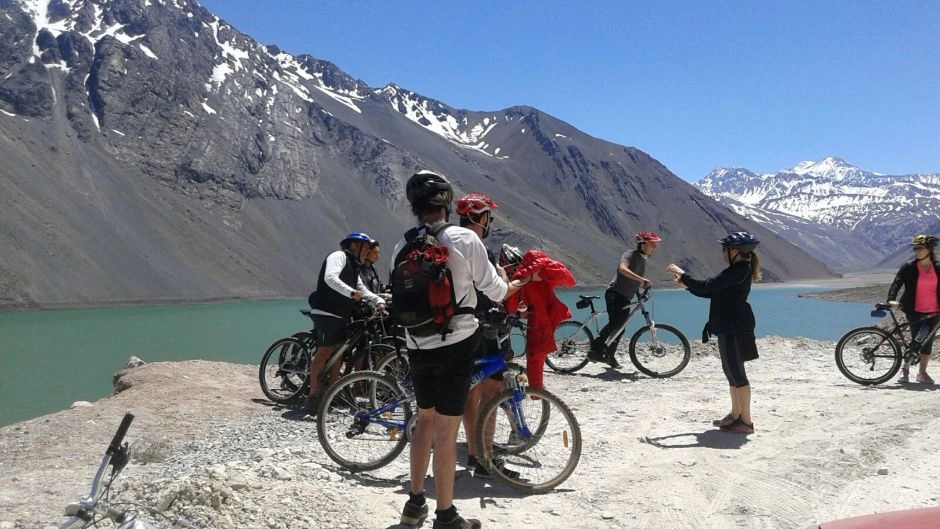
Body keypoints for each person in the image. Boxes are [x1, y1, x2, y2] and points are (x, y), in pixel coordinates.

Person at [395, 171, 526, 529]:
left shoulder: (402, 245)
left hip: (416, 343)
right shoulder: (464, 238)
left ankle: (415, 502)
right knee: (447, 430)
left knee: (424, 420)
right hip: (455, 343)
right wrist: (519, 281)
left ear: (415, 207)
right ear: (446, 204)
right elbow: (496, 291)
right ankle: (446, 514)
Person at [666, 231, 761, 435]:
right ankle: (736, 415)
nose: (722, 253)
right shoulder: (737, 270)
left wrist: (684, 275)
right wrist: (687, 284)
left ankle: (746, 421)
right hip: (729, 325)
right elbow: (710, 292)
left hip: (735, 326)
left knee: (737, 373)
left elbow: (708, 286)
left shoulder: (737, 271)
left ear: (735, 251)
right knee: (731, 372)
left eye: (724, 249)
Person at [454, 192, 521, 480]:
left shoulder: (452, 243)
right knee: (489, 391)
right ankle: (483, 456)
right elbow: (498, 286)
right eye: (487, 217)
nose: (489, 222)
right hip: (481, 327)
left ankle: (477, 454)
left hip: (468, 327)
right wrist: (513, 279)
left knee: (475, 392)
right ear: (479, 217)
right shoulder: (478, 246)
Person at [304, 232, 386, 412]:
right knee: (324, 351)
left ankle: (333, 392)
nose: (367, 252)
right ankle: (313, 395)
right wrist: (350, 292)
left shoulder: (354, 266)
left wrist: (378, 301)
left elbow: (361, 289)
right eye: (365, 248)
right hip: (325, 312)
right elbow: (330, 277)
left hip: (341, 315)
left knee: (339, 352)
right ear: (355, 245)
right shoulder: (338, 256)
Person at [588, 231, 662, 368]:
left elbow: (633, 281)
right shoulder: (630, 254)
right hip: (615, 293)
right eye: (652, 244)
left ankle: (609, 356)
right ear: (644, 244)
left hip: (626, 297)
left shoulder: (643, 260)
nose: (655, 248)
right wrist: (642, 279)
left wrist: (640, 293)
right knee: (615, 323)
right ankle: (594, 351)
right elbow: (622, 269)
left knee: (620, 328)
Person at [505, 250, 576, 390]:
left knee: (534, 357)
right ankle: (536, 391)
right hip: (545, 319)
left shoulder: (522, 277)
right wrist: (544, 268)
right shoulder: (541, 277)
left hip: (538, 322)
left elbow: (510, 306)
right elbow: (569, 280)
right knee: (536, 358)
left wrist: (540, 270)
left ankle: (535, 392)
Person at [887, 234, 940, 384]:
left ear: (929, 249)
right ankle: (905, 371)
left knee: (927, 342)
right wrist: (891, 298)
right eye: (914, 248)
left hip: (935, 311)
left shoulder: (938, 268)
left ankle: (922, 373)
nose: (916, 251)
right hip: (914, 309)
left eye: (919, 248)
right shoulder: (909, 267)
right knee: (917, 340)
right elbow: (897, 283)